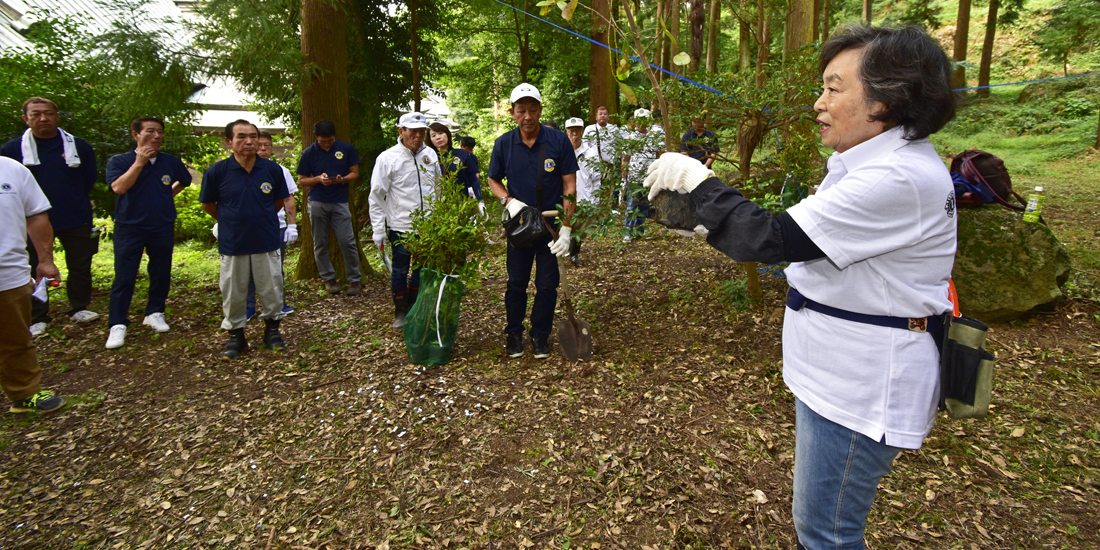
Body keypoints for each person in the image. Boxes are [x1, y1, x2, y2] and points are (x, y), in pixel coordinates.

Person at [643, 26, 957, 549]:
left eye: (834, 88)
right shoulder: (872, 165)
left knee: (827, 533)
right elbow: (803, 241)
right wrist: (702, 220)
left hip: (860, 386)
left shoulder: (893, 177)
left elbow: (771, 237)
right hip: (839, 373)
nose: (818, 102)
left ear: (888, 98)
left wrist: (700, 182)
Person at [487, 83, 578, 359]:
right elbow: (493, 179)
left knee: (547, 284)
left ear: (540, 110)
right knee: (516, 283)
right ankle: (513, 334)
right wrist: (509, 201)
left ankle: (540, 335)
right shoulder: (504, 143)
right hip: (520, 226)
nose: (527, 116)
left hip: (550, 226)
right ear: (513, 113)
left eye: (532, 109)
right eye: (521, 110)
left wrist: (566, 228)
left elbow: (569, 186)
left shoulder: (558, 141)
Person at [1, 97, 99, 336]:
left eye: (48, 113)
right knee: (35, 264)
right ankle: (38, 315)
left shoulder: (78, 146)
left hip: (74, 215)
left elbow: (89, 179)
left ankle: (79, 307)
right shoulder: (12, 149)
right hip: (31, 220)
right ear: (26, 119)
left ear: (57, 116)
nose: (43, 118)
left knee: (80, 264)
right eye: (35, 114)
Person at [200, 120, 291, 359]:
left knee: (272, 288)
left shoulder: (272, 170)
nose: (249, 141)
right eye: (241, 137)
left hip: (266, 240)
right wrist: (231, 220)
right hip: (233, 243)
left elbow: (278, 201)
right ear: (229, 142)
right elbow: (208, 204)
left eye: (253, 136)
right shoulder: (217, 172)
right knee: (233, 291)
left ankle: (272, 331)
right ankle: (236, 336)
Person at [103, 117, 192, 349]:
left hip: (161, 225)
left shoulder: (169, 162)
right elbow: (119, 187)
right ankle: (117, 323)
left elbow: (185, 180)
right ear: (135, 134)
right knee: (125, 275)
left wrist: (166, 196)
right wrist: (139, 163)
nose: (157, 136)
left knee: (161, 271)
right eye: (150, 131)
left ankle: (154, 312)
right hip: (130, 227)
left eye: (160, 132)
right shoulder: (120, 161)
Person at [0, 156, 66, 413]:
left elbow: (36, 216)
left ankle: (24, 393)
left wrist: (46, 260)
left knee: (16, 338)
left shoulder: (12, 168)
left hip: (9, 273)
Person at [369, 112, 441, 329]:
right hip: (401, 226)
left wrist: (438, 217)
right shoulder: (387, 158)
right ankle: (400, 311)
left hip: (427, 225)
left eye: (422, 131)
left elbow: (437, 188)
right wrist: (378, 229)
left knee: (422, 269)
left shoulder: (431, 155)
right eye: (413, 131)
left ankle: (413, 307)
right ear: (401, 132)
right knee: (400, 270)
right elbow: (377, 195)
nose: (418, 136)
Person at [296, 120, 362, 296]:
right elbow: (301, 180)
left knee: (347, 241)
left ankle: (355, 280)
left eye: (330, 140)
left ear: (335, 137)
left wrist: (342, 179)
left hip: (340, 201)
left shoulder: (345, 148)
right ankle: (329, 279)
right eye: (323, 141)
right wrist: (318, 179)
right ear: (316, 137)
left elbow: (354, 173)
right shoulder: (309, 153)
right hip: (318, 201)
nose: (327, 144)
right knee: (320, 242)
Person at [245, 130, 299, 320]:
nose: (262, 149)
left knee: (275, 267)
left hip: (276, 226)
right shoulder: (242, 169)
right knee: (248, 267)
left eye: (266, 145)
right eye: (259, 145)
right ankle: (248, 305)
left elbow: (288, 199)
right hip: (248, 227)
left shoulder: (280, 170)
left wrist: (292, 225)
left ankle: (278, 302)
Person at [621, 108, 663, 241]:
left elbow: (658, 155)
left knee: (644, 204)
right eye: (638, 121)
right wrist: (624, 175)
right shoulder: (630, 138)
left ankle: (640, 230)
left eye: (644, 120)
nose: (641, 124)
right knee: (632, 204)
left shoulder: (653, 137)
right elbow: (625, 158)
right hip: (634, 177)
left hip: (648, 177)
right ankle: (627, 231)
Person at [428, 122, 485, 214]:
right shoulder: (430, 159)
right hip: (440, 207)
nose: (438, 137)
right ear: (430, 140)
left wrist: (480, 201)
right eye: (433, 135)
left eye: (441, 133)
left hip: (464, 204)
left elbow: (473, 179)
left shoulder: (462, 154)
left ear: (447, 134)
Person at [564, 116, 598, 266]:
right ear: (567, 133)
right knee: (564, 223)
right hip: (565, 195)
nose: (575, 134)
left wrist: (596, 197)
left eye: (577, 130)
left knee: (581, 227)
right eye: (571, 131)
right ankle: (562, 251)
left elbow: (596, 176)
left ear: (583, 132)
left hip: (585, 195)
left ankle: (573, 254)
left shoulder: (590, 150)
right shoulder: (562, 150)